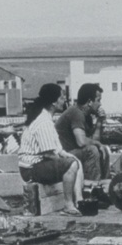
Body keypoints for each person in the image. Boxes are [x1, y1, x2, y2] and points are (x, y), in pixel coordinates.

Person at [18, 83, 84, 216]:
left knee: (75, 161)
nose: (64, 100)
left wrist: (69, 157)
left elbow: (57, 149)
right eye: (61, 97)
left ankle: (80, 201)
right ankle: (68, 205)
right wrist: (67, 162)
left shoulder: (46, 118)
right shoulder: (43, 122)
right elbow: (48, 154)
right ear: (54, 102)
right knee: (71, 164)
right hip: (30, 169)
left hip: (37, 165)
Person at [55, 83, 111, 182]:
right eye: (98, 100)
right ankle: (92, 187)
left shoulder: (87, 115)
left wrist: (99, 121)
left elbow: (93, 140)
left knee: (103, 149)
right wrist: (98, 144)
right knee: (92, 150)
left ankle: (104, 183)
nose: (100, 104)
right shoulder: (76, 113)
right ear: (89, 101)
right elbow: (81, 141)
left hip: (73, 152)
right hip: (62, 155)